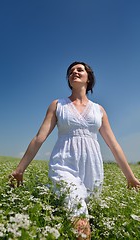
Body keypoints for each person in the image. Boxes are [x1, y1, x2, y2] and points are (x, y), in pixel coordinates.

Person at [9, 61, 140, 240]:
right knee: (79, 217)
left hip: (92, 169)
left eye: (80, 70)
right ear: (69, 80)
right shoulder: (58, 105)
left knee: (79, 215)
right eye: (71, 71)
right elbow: (39, 137)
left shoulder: (99, 110)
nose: (75, 72)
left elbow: (113, 144)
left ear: (88, 78)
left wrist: (130, 177)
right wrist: (19, 169)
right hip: (64, 165)